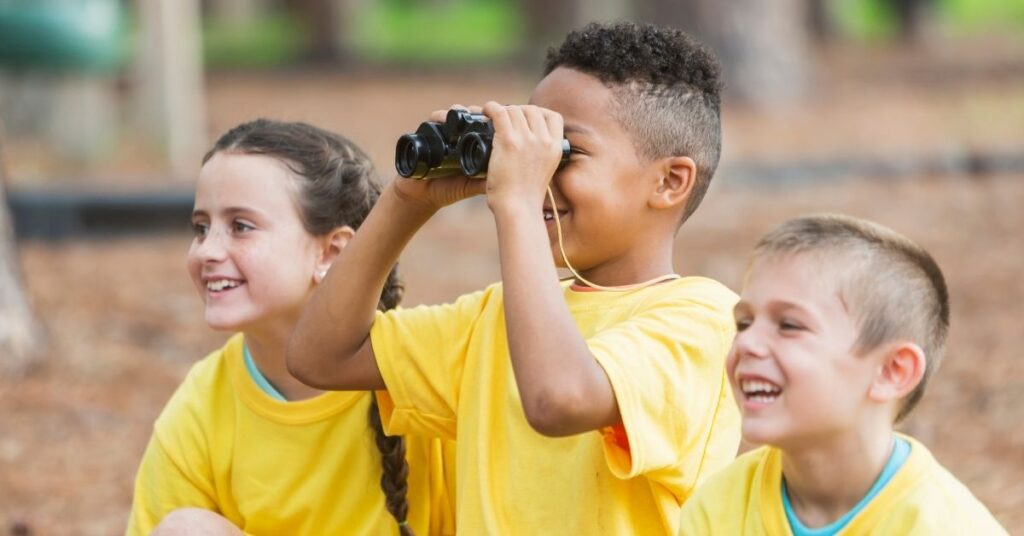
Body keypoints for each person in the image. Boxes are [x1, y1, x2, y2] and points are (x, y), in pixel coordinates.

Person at [287, 22, 740, 535]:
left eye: (562, 152)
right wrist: (407, 200)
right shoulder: (493, 319)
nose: (533, 171)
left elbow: (559, 399)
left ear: (669, 181)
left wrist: (520, 201)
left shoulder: (703, 322)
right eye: (526, 151)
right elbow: (320, 356)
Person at [127, 119, 454, 536]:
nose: (207, 250)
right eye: (201, 228)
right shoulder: (202, 405)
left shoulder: (421, 371)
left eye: (241, 226)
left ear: (331, 252)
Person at [677, 213, 1006, 535]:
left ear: (892, 371)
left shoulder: (946, 527)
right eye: (744, 323)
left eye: (789, 325)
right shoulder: (718, 506)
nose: (747, 341)